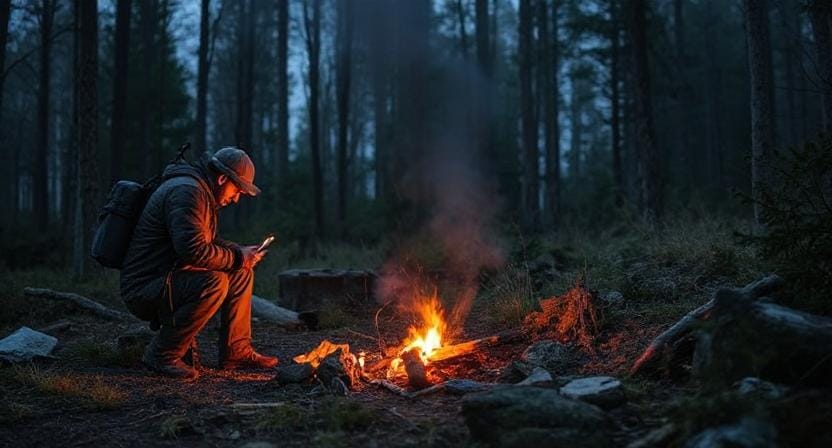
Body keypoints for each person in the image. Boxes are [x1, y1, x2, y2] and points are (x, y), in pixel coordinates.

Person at [120, 147, 278, 380]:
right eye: (237, 191)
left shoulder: (197, 190)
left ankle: (237, 351)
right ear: (223, 178)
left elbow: (205, 242)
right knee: (214, 282)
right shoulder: (187, 192)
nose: (236, 199)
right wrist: (237, 257)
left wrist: (238, 253)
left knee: (240, 273)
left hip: (166, 278)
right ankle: (162, 355)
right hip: (145, 287)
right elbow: (193, 251)